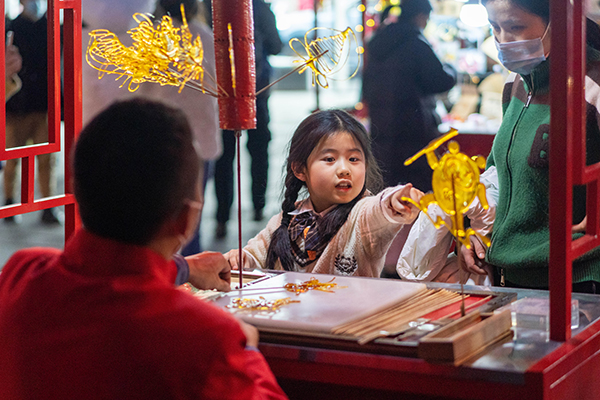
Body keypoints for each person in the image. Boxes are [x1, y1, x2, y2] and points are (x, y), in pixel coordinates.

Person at [0, 98, 288, 399]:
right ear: (186, 219)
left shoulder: (22, 275)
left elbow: (111, 275)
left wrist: (185, 268)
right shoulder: (203, 337)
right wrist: (249, 349)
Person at [455, 0, 600, 293]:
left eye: (515, 27)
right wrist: (477, 232)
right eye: (495, 27)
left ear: (557, 22)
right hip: (512, 274)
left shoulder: (592, 86)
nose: (502, 40)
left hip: (579, 278)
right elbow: (503, 173)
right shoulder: (516, 84)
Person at [226, 109, 422, 277]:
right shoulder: (285, 221)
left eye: (354, 159)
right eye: (329, 159)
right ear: (300, 169)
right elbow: (254, 257)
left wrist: (395, 199)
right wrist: (240, 259)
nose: (344, 169)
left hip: (350, 321)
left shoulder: (361, 217)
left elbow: (379, 209)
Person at [144, 0, 220, 256]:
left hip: (162, 140)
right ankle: (191, 273)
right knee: (193, 215)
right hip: (201, 140)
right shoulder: (206, 36)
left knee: (161, 217)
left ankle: (172, 273)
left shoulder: (154, 38)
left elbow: (142, 90)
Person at [362, 0, 456, 191]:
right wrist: (452, 69)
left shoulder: (377, 41)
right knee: (415, 190)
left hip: (382, 128)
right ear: (421, 16)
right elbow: (441, 80)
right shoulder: (416, 43)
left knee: (386, 188)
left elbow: (367, 83)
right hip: (413, 130)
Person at [213, 0, 282, 238]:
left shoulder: (214, 6)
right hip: (256, 92)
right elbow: (276, 45)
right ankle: (258, 206)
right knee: (259, 151)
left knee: (225, 156)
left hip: (223, 93)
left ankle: (222, 216)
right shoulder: (259, 7)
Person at [4, 0, 61, 224]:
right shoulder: (12, 27)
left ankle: (48, 206)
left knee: (47, 157)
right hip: (15, 104)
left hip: (44, 103)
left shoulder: (52, 27)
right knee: (13, 157)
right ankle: (9, 202)